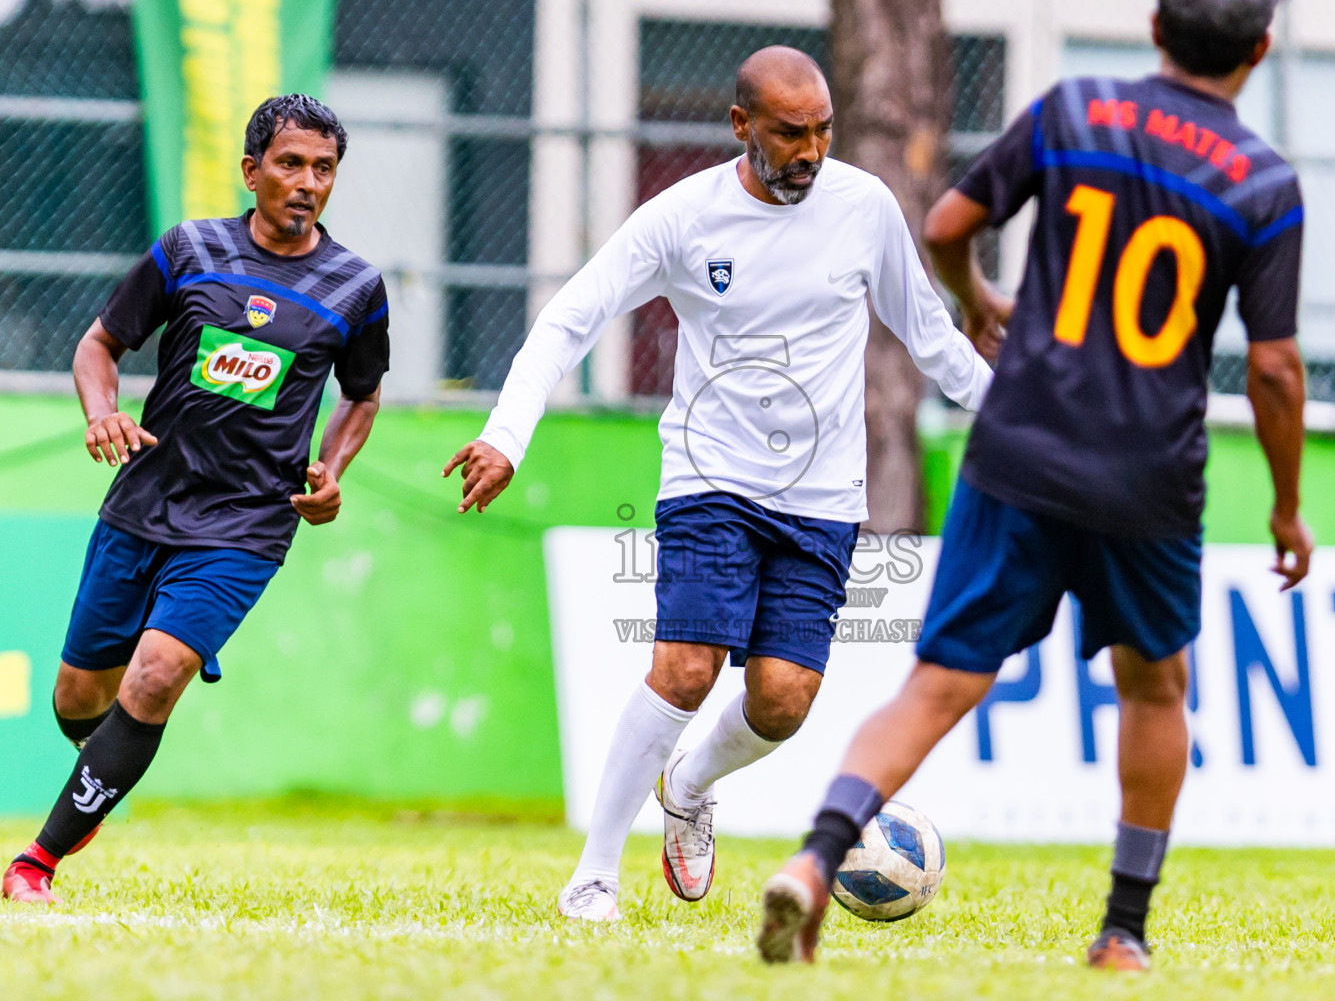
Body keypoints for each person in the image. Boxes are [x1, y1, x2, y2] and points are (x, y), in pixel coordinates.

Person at [759, 0, 1310, 971]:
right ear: (1260, 52)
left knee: (937, 684)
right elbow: (1272, 367)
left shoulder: (1075, 109)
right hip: (1148, 475)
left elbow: (943, 227)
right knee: (1155, 687)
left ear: (1154, 29)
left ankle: (815, 857)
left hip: (1018, 446)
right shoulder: (1264, 185)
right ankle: (1124, 931)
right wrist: (1286, 505)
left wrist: (981, 300)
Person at [444, 46, 992, 921]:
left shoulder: (865, 207)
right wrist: (507, 435)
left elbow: (929, 335)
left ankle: (691, 783)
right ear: (742, 126)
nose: (811, 150)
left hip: (823, 497)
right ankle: (593, 875)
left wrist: (1021, 421)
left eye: (822, 131)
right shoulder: (682, 218)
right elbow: (568, 320)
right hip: (711, 476)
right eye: (790, 133)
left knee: (783, 700)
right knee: (686, 667)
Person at [3, 94, 389, 904]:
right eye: (290, 164)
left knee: (155, 678)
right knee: (79, 699)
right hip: (143, 502)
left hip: (247, 525)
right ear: (252, 172)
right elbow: (100, 344)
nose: (307, 182)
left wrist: (333, 467)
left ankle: (35, 863)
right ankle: (98, 781)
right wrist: (102, 411)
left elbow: (361, 394)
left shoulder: (355, 286)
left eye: (323, 169)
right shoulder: (190, 249)